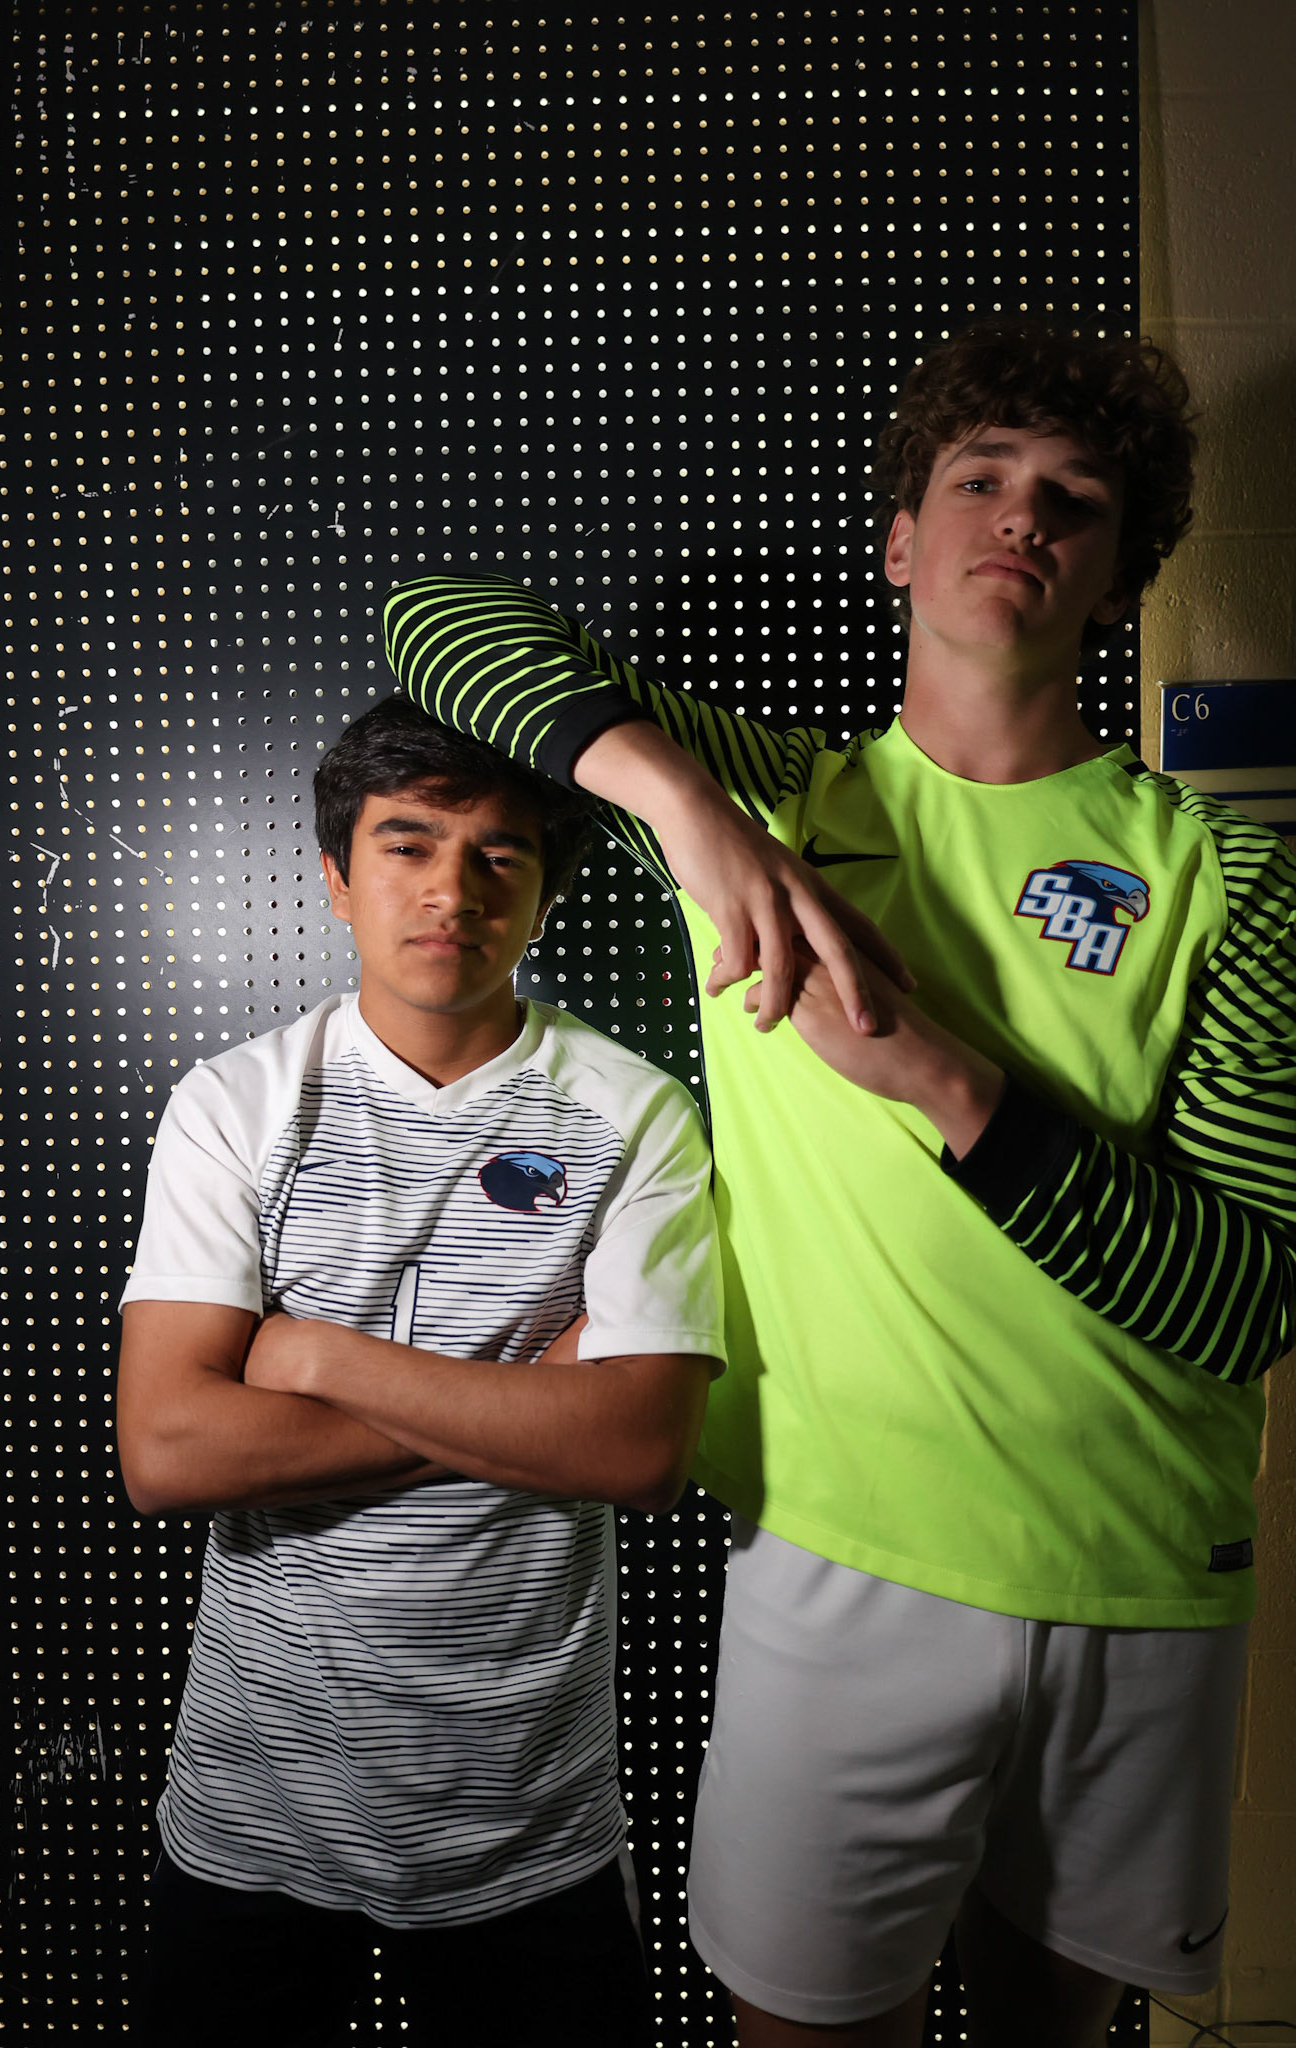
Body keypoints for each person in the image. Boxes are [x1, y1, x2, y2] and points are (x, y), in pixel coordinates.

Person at [379, 317, 1296, 2048]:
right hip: (843, 1554)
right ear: (899, 543)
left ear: (1117, 580)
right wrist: (681, 804)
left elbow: (1242, 1300)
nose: (1019, 517)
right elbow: (432, 619)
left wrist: (941, 1075)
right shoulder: (772, 796)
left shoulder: (1231, 880)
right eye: (978, 480)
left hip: (1141, 1577)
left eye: (1073, 502)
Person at [116, 697, 725, 2048]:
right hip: (252, 1805)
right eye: (407, 844)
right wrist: (525, 1400)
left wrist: (317, 1357)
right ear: (336, 877)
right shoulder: (237, 1104)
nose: (452, 890)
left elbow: (634, 1452)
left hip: (527, 1818)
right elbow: (168, 1452)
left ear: (547, 889)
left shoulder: (637, 1118)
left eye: (500, 853)